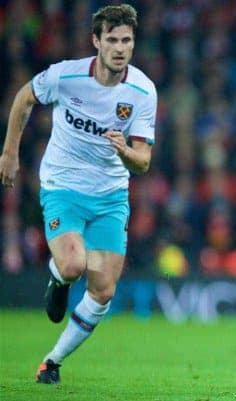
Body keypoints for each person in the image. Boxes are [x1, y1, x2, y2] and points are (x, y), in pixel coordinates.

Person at [0, 4, 157, 384]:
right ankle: (58, 277)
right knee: (73, 265)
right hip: (63, 186)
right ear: (96, 41)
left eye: (128, 41)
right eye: (113, 40)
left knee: (103, 289)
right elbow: (24, 97)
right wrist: (9, 151)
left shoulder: (142, 91)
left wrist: (124, 151)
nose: (121, 48)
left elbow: (143, 162)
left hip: (110, 196)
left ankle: (51, 362)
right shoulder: (66, 76)